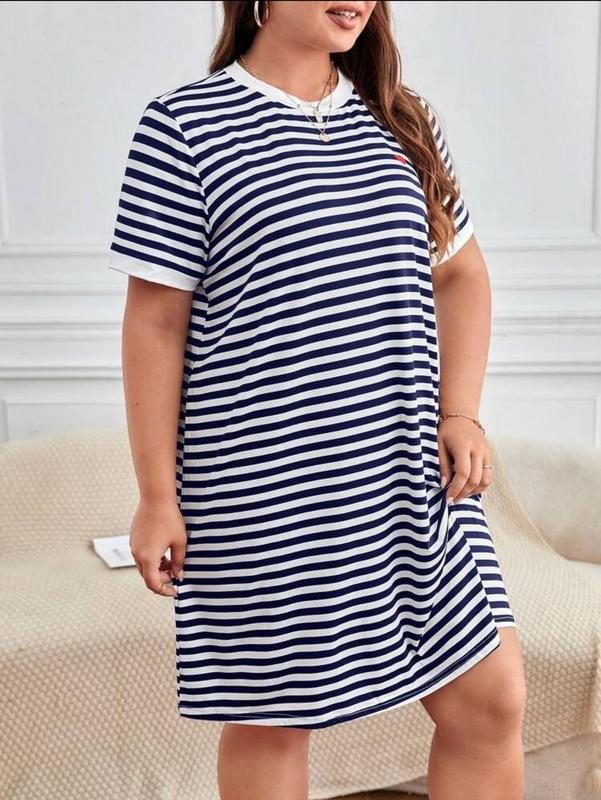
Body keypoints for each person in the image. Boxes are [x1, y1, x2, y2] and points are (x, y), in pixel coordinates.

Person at [107, 1, 527, 798]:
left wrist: (459, 412)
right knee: (271, 723)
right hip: (263, 490)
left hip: (407, 476)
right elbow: (156, 324)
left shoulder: (401, 120)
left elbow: (461, 275)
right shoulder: (184, 127)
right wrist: (157, 497)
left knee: (489, 697)